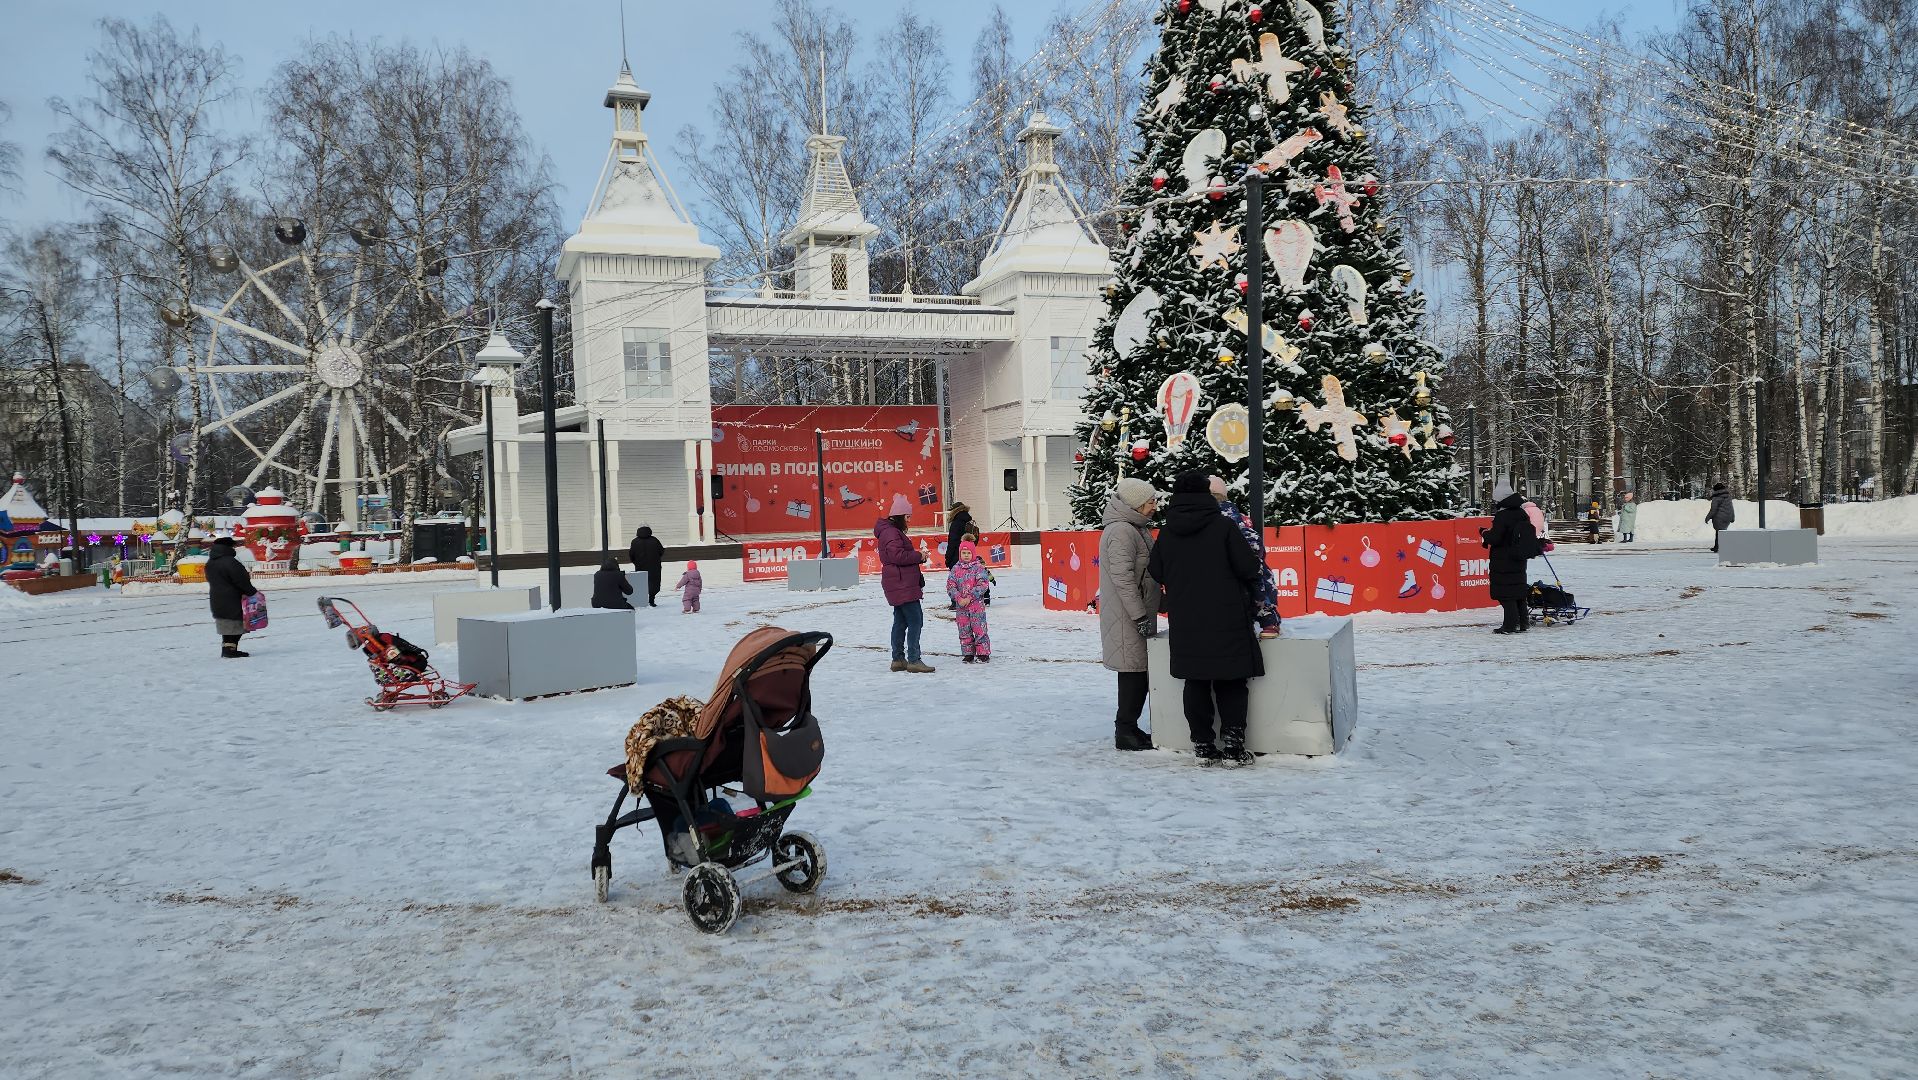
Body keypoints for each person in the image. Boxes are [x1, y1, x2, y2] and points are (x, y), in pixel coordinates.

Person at [1148, 472, 1265, 766]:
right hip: (1227, 615)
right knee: (1231, 681)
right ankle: (1234, 748)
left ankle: (1202, 746)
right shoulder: (1224, 527)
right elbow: (1249, 567)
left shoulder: (1168, 532)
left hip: (1186, 618)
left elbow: (1156, 570)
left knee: (1195, 681)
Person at [1099, 477, 1160, 752]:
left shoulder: (1135, 527)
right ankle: (1125, 730)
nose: (1155, 506)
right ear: (1136, 504)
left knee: (1139, 673)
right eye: (1150, 501)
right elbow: (1123, 579)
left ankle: (1130, 727)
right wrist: (1139, 617)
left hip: (1135, 613)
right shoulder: (1122, 531)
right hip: (1127, 617)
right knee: (1133, 673)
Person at [1208, 475, 1282, 638]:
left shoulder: (1205, 516)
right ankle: (1269, 620)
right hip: (1242, 563)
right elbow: (1254, 543)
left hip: (1217, 572)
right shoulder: (1236, 516)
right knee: (1259, 579)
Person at [876, 493, 933, 673]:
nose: (909, 521)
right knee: (916, 620)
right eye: (907, 517)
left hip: (898, 582)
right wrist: (919, 556)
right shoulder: (892, 532)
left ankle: (898, 659)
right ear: (900, 516)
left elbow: (896, 555)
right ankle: (914, 659)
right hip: (902, 584)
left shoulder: (889, 531)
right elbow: (897, 556)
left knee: (900, 621)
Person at [1481, 479, 1537, 635]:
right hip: (1519, 558)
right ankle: (1523, 623)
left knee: (1506, 594)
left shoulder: (1503, 515)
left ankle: (1510, 625)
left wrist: (1484, 533)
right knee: (1518, 592)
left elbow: (1496, 538)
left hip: (1503, 559)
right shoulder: (1522, 513)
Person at [205, 535, 258, 659]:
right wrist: (251, 592)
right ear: (228, 547)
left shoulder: (210, 563)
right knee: (236, 624)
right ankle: (230, 650)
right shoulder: (230, 562)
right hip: (233, 598)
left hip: (217, 598)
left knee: (226, 625)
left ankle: (227, 648)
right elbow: (241, 580)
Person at [946, 540, 992, 663]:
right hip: (961, 607)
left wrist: (970, 597)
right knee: (964, 629)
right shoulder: (955, 568)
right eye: (963, 553)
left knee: (979, 629)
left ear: (973, 553)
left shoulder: (978, 568)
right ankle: (968, 653)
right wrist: (959, 598)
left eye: (968, 553)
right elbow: (950, 585)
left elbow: (983, 584)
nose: (966, 555)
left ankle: (983, 653)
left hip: (976, 606)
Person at [628, 525, 665, 607]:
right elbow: (661, 551)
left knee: (641, 583)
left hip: (640, 566)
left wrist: (635, 562)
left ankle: (642, 600)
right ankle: (651, 600)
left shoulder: (635, 541)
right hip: (654, 566)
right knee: (654, 583)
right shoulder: (654, 540)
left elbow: (631, 554)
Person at [944, 501, 975, 568]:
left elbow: (952, 542)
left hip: (956, 558)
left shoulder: (957, 522)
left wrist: (948, 559)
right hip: (969, 556)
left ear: (955, 511)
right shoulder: (968, 521)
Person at [1707, 483, 1735, 551]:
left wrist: (1707, 518)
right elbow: (1731, 508)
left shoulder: (1716, 498)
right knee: (1721, 532)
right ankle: (1718, 546)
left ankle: (1718, 547)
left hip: (1719, 517)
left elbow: (1713, 510)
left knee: (1719, 532)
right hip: (1727, 517)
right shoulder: (1728, 496)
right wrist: (1732, 517)